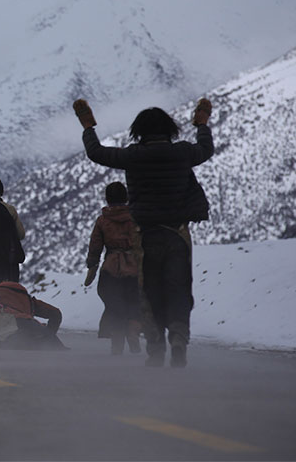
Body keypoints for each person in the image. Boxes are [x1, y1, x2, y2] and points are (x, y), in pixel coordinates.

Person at [73, 97, 214, 367]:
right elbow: (205, 149)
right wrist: (201, 124)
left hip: (145, 236)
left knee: (148, 291)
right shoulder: (183, 152)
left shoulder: (133, 156)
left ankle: (156, 345)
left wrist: (88, 126)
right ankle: (178, 337)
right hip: (178, 234)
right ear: (169, 130)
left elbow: (97, 153)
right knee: (178, 288)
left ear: (139, 132)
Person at [85, 181, 143, 355]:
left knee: (113, 304)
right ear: (126, 198)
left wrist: (92, 264)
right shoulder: (136, 218)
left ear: (107, 199)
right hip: (134, 268)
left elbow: (95, 246)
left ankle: (117, 343)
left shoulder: (103, 220)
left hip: (111, 269)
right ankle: (133, 331)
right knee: (134, 302)